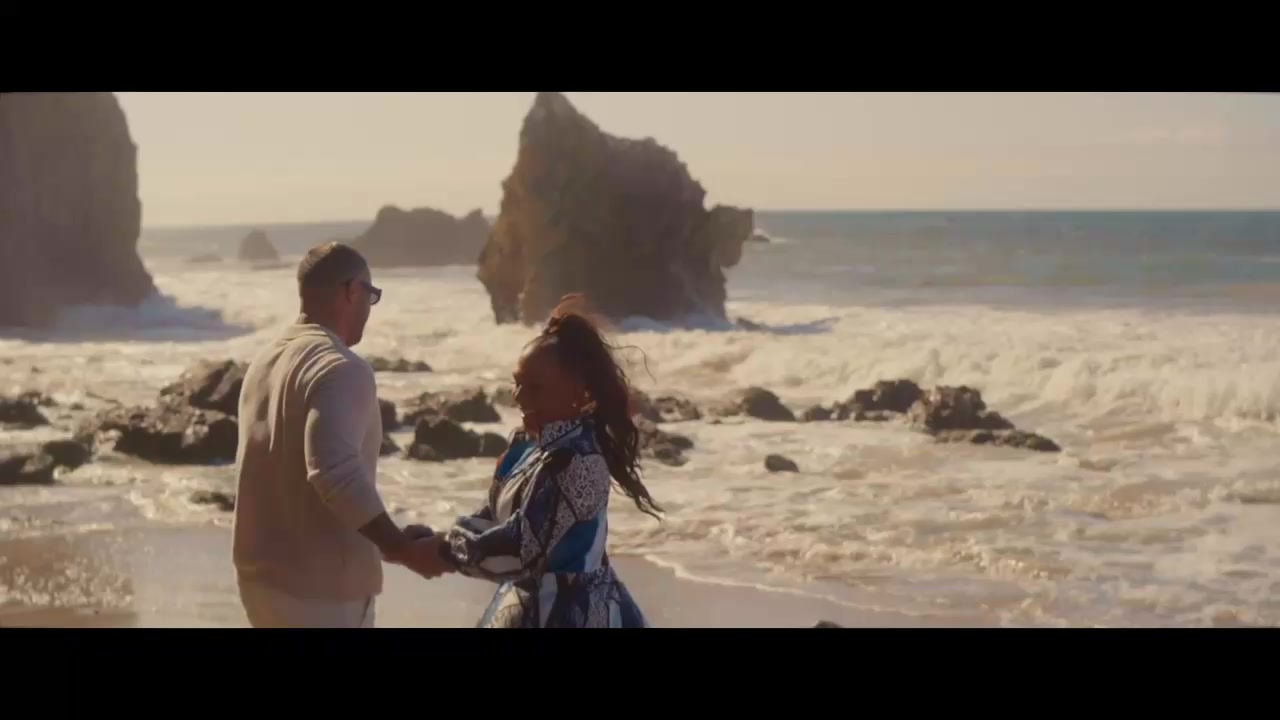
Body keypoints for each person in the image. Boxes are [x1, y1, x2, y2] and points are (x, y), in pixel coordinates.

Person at [232, 241, 449, 628]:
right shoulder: (341, 367)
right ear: (351, 291)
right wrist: (399, 547)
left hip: (259, 581)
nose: (370, 307)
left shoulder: (263, 363)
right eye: (371, 294)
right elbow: (333, 471)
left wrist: (389, 538)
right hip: (323, 592)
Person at [425, 296, 659, 628]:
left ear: (581, 393)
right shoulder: (525, 447)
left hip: (574, 614)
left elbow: (522, 547)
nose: (519, 397)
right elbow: (489, 518)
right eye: (517, 383)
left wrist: (443, 551)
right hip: (525, 604)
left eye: (535, 388)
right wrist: (440, 540)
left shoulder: (577, 460)